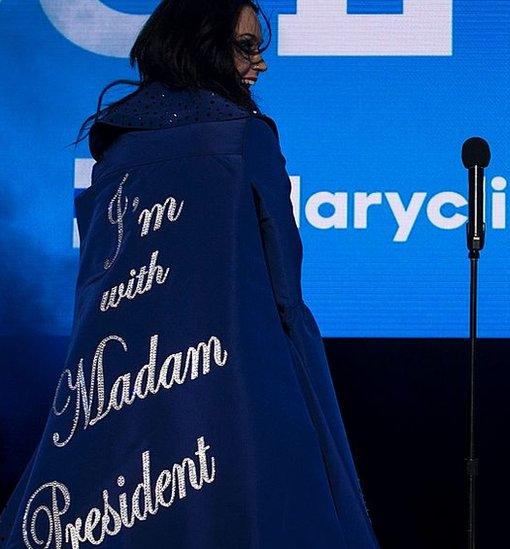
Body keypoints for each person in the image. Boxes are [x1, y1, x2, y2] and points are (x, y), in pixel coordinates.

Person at [0, 1, 379, 547]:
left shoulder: (115, 148)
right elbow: (284, 288)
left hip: (120, 391)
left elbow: (94, 289)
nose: (260, 64)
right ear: (202, 47)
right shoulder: (245, 138)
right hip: (235, 391)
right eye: (246, 46)